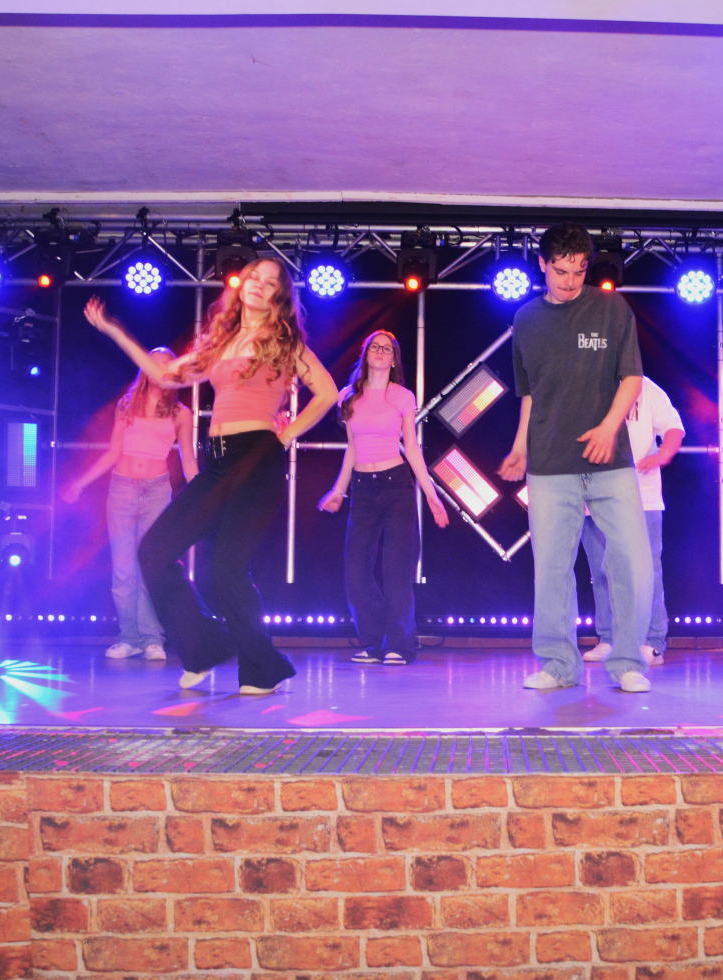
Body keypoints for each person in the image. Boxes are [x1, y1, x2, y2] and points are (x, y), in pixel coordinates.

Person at [83, 257, 338, 695]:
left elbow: (328, 393)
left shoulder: (284, 341)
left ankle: (261, 669)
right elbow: (164, 375)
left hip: (257, 457)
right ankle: (204, 647)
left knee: (227, 569)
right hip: (218, 460)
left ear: (278, 297)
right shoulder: (221, 341)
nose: (258, 285)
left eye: (269, 283)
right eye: (253, 277)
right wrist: (115, 331)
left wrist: (285, 436)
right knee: (154, 550)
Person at [499, 223, 654, 694]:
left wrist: (608, 428)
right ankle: (558, 665)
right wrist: (519, 447)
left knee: (633, 562)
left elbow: (631, 378)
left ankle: (627, 661)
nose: (570, 281)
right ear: (542, 265)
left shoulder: (611, 308)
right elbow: (530, 395)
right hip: (550, 463)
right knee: (551, 567)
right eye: (561, 271)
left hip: (610, 461)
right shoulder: (526, 319)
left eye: (579, 271)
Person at [319, 330, 449, 666]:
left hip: (396, 486)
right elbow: (352, 448)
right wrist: (338, 490)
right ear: (365, 355)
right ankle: (376, 641)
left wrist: (432, 496)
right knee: (355, 572)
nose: (380, 351)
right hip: (362, 488)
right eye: (374, 347)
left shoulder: (402, 397)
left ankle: (400, 645)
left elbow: (412, 448)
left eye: (387, 348)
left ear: (393, 360)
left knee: (396, 570)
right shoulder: (348, 396)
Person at [60, 348, 196, 662]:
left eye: (167, 366)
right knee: (123, 569)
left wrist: (205, 493)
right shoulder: (127, 405)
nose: (160, 371)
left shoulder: (181, 413)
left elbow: (188, 460)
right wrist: (79, 483)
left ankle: (152, 639)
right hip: (121, 491)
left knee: (149, 566)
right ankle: (128, 638)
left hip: (157, 492)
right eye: (154, 364)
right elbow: (112, 453)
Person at [581, 375, 684, 666]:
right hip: (595, 493)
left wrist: (664, 454)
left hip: (642, 496)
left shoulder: (645, 387)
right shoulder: (585, 381)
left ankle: (652, 641)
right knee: (601, 571)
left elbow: (674, 427)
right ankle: (609, 638)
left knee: (647, 570)